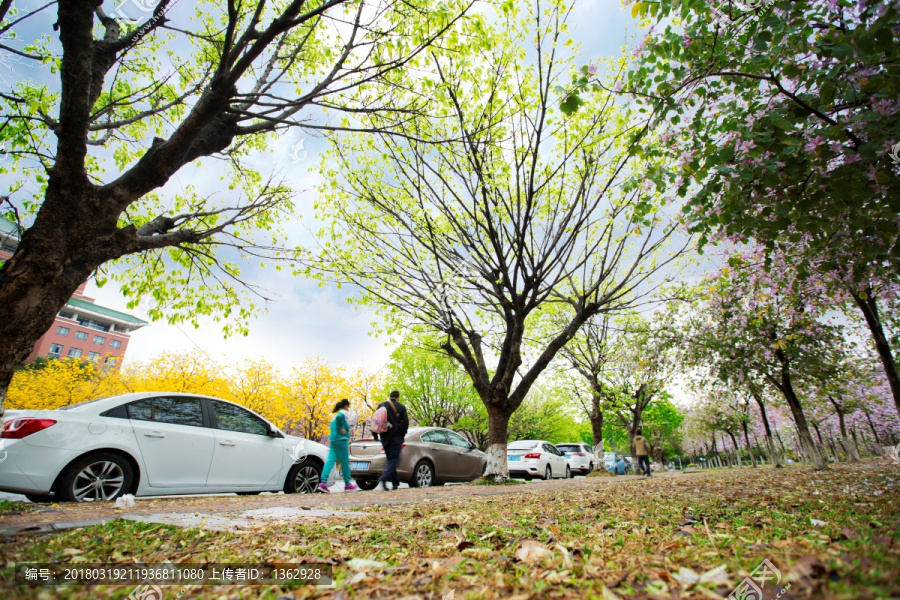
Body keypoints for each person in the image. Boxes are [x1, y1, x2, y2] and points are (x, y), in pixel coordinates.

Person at [317, 399, 359, 493]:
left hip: (333, 440)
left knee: (330, 461)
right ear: (346, 406)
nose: (348, 409)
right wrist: (342, 427)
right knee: (345, 462)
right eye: (348, 406)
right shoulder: (343, 413)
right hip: (341, 440)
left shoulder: (334, 416)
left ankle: (323, 483)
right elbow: (341, 418)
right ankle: (348, 484)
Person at [373, 390, 409, 491]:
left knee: (390, 459)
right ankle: (384, 478)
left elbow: (376, 420)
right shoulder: (401, 407)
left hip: (384, 437)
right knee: (394, 460)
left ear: (390, 396)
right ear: (398, 398)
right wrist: (402, 434)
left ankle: (395, 483)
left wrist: (375, 435)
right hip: (395, 437)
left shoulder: (381, 405)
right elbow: (405, 422)